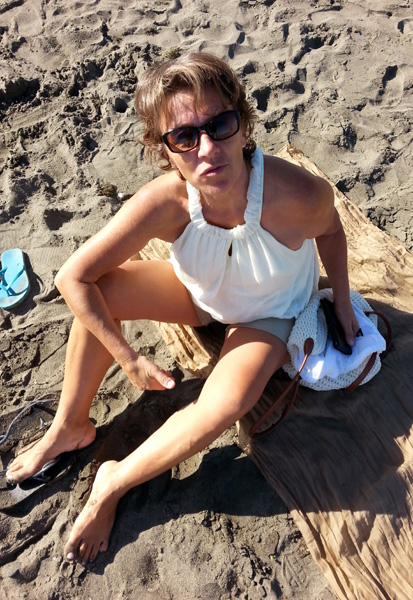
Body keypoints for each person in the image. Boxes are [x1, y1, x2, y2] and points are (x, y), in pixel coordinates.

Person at [6, 52, 359, 564]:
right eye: (185, 137)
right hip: (200, 293)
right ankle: (70, 425)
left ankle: (114, 482)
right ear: (164, 149)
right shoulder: (167, 201)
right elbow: (72, 277)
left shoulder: (296, 194)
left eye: (220, 125)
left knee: (227, 401)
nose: (208, 149)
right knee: (101, 289)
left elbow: (332, 231)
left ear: (243, 123)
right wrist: (128, 357)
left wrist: (343, 303)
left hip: (268, 311)